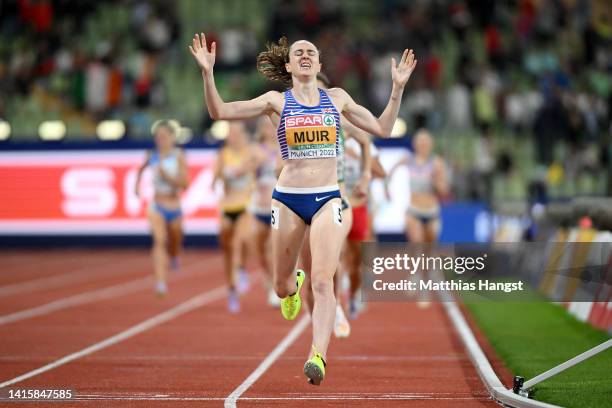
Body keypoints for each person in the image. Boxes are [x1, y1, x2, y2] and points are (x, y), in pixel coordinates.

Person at [189, 33, 417, 385]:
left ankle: (318, 355)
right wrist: (207, 74)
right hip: (288, 198)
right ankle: (289, 286)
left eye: (312, 51)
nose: (306, 55)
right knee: (281, 286)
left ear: (320, 65)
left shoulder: (337, 99)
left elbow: (383, 128)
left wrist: (397, 88)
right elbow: (220, 111)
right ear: (290, 65)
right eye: (299, 53)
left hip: (328, 197)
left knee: (324, 279)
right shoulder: (275, 102)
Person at [135, 120, 188, 297]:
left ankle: (174, 256)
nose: (161, 140)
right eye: (158, 137)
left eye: (164, 137)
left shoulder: (178, 155)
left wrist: (168, 177)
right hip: (157, 205)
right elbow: (141, 169)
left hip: (174, 206)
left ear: (172, 137)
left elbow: (185, 183)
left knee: (174, 240)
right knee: (159, 241)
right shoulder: (152, 155)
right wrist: (136, 186)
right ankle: (160, 283)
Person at [211, 121, 254, 313]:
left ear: (243, 135)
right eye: (230, 133)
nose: (232, 136)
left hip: (245, 205)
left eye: (236, 133)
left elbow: (262, 163)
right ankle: (231, 289)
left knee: (240, 241)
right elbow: (215, 179)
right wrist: (220, 176)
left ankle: (242, 269)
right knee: (227, 249)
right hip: (227, 206)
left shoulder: (251, 152)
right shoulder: (223, 155)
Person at [387, 129, 449, 243]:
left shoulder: (436, 163)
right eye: (420, 141)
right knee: (417, 247)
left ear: (431, 144)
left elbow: (444, 190)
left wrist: (435, 181)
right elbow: (389, 173)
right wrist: (387, 190)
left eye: (425, 141)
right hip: (413, 211)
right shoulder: (408, 159)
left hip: (432, 212)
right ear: (414, 143)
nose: (423, 144)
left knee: (429, 250)